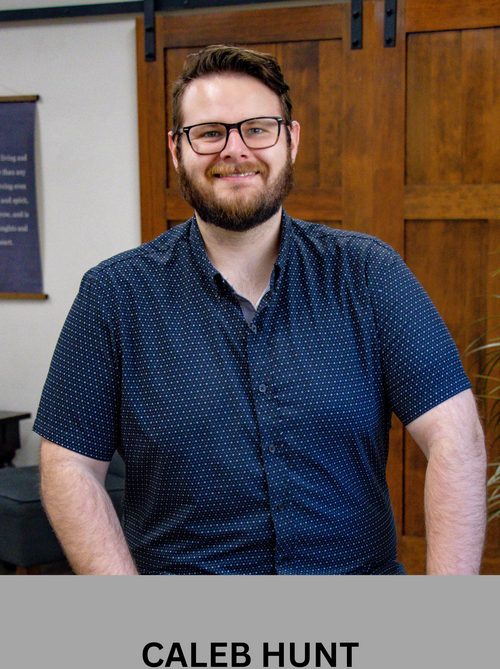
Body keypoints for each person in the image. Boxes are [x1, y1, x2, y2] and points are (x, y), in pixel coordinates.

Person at [34, 45, 487, 575]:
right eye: (209, 132)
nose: (235, 150)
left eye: (257, 129)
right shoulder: (113, 295)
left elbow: (456, 439)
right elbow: (68, 466)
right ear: (176, 150)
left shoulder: (368, 274)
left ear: (291, 140)